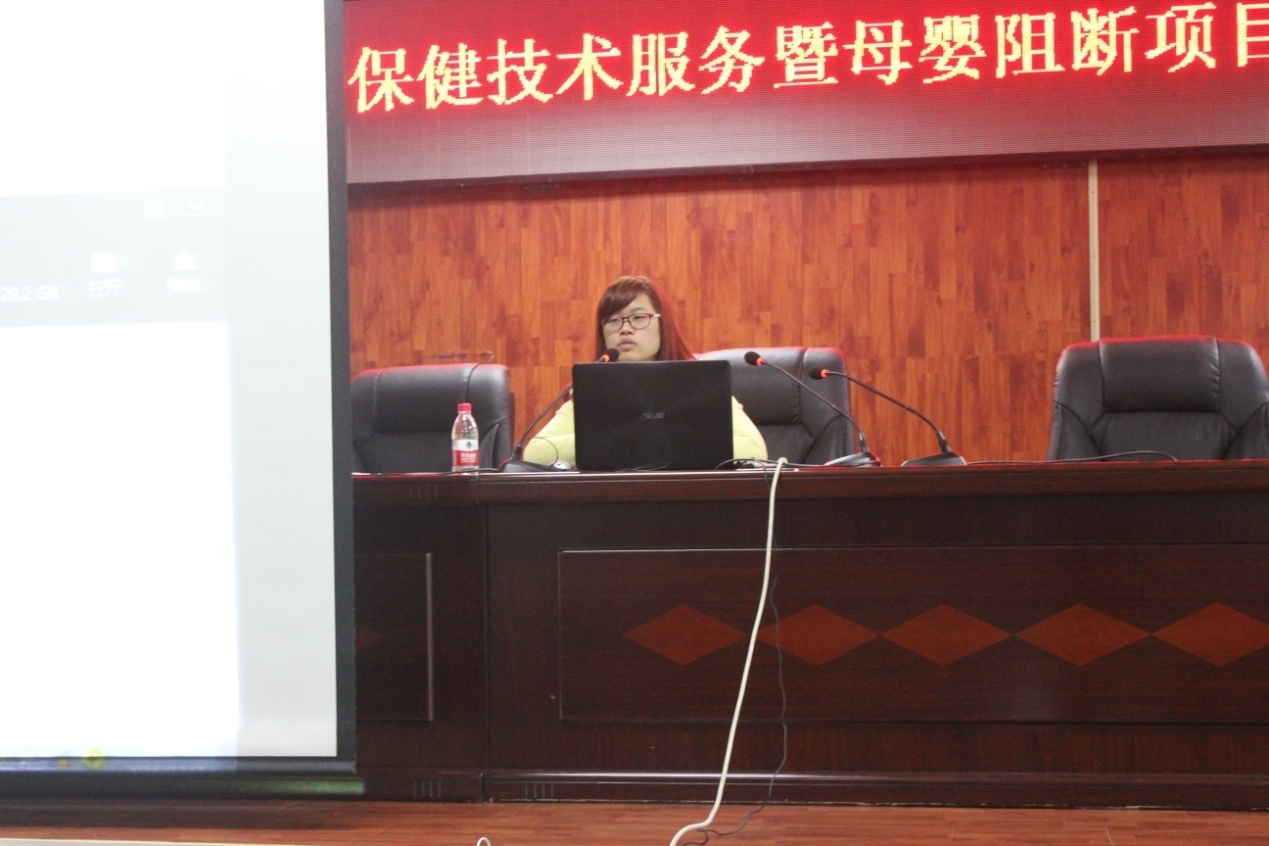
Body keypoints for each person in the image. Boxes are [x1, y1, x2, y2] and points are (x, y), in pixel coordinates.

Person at [523, 276, 767, 466]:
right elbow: (536, 452)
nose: (625, 329)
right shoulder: (592, 391)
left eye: (638, 317)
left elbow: (754, 451)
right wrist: (640, 439)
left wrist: (612, 442)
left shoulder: (700, 383)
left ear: (662, 325)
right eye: (614, 320)